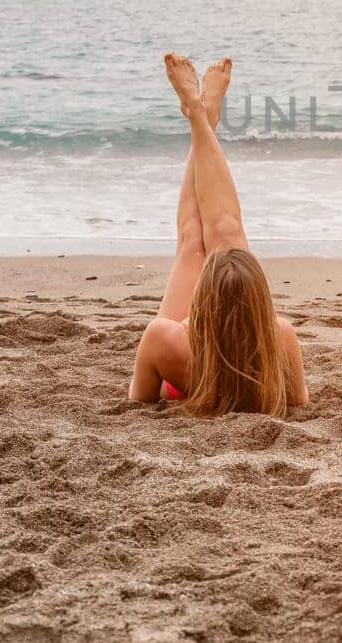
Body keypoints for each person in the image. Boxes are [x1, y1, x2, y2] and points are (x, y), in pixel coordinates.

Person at [129, 55, 308, 416]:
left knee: (192, 240)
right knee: (228, 234)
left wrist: (174, 364)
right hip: (204, 352)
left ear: (200, 304)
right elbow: (299, 402)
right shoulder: (280, 335)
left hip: (186, 361)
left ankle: (199, 114)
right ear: (262, 301)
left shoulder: (165, 337)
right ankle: (203, 120)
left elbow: (139, 400)